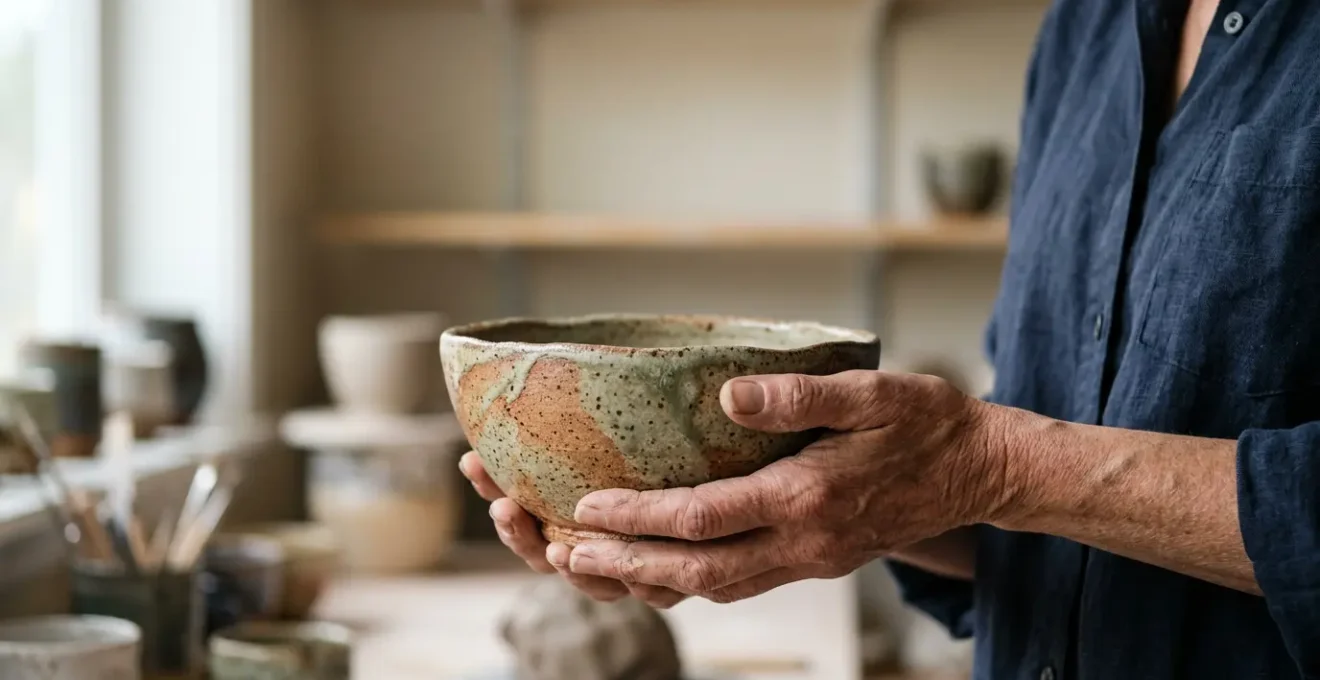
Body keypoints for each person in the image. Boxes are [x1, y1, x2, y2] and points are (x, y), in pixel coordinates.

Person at [461, 0, 1320, 677]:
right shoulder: (1087, 26)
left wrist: (998, 465)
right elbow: (1056, 528)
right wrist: (847, 499)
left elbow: (1017, 470)